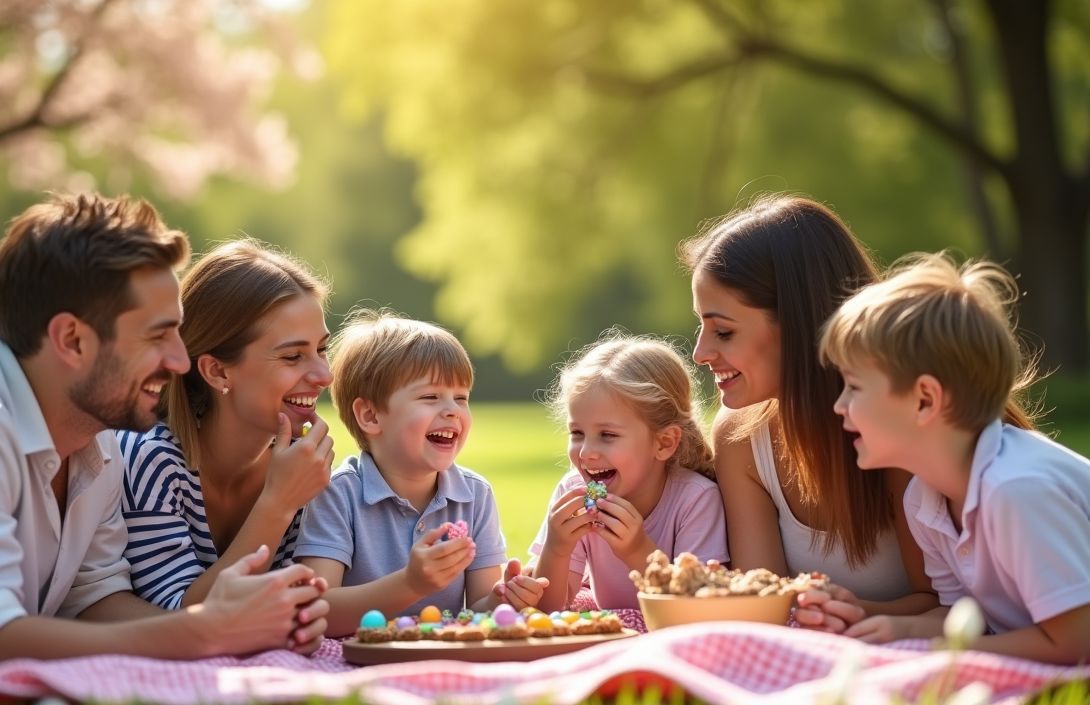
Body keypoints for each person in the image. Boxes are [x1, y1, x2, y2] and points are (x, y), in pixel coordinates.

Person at [0, 193, 328, 681]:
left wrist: (230, 625)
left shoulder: (97, 444)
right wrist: (204, 633)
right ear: (72, 340)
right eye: (157, 336)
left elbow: (94, 601)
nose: (182, 363)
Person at [681, 195, 940, 631]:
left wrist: (853, 614)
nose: (701, 352)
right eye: (701, 326)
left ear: (799, 323)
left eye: (723, 331)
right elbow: (765, 604)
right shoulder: (740, 437)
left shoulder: (899, 426)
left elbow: (954, 604)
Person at [820, 254, 1090, 663]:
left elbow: (1074, 645)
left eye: (854, 387)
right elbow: (965, 618)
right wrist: (896, 628)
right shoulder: (924, 499)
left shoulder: (1016, 491)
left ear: (925, 400)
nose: (839, 406)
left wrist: (933, 651)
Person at [118, 241, 335, 643]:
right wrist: (278, 504)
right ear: (217, 372)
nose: (324, 375)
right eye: (293, 357)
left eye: (322, 349)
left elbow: (296, 602)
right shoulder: (150, 461)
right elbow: (191, 618)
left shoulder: (300, 465)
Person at [295, 311, 548, 635]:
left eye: (461, 398)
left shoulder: (475, 495)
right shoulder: (335, 493)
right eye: (430, 397)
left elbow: (478, 610)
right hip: (364, 659)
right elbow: (318, 612)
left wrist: (504, 599)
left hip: (444, 657)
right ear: (371, 416)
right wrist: (409, 584)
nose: (452, 410)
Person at [528, 333, 727, 611]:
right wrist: (556, 549)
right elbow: (548, 613)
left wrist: (637, 550)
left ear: (664, 443)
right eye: (577, 433)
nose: (586, 453)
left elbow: (698, 609)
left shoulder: (696, 499)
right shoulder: (572, 491)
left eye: (607, 435)